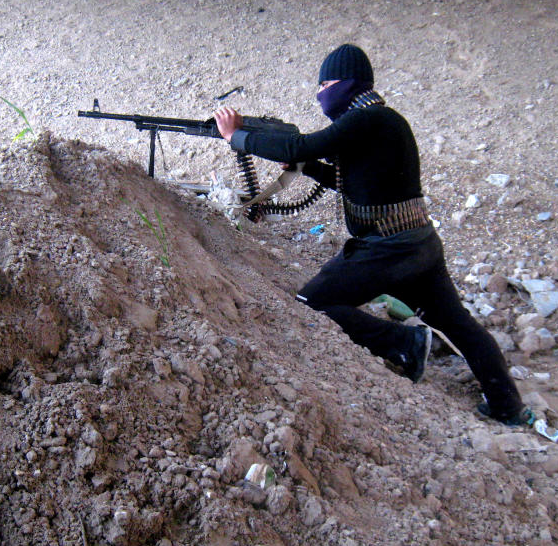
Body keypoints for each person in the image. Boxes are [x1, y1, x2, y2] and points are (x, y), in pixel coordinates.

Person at [213, 44, 531, 425]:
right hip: (417, 244)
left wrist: (236, 137)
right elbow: (357, 185)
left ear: (349, 82)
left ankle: (405, 345)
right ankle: (507, 406)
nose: (320, 93)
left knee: (310, 302)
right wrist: (311, 168)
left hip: (388, 249)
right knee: (458, 324)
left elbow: (302, 144)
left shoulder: (368, 119)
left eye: (326, 83)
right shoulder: (378, 122)